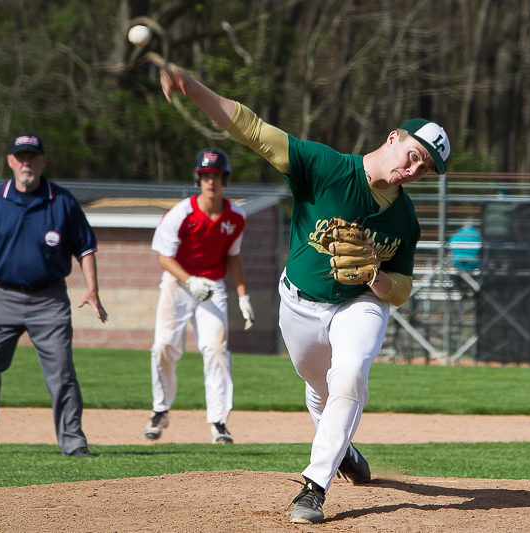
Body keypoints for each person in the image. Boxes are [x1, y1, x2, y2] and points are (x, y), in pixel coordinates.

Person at [158, 64, 449, 523]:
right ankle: (341, 446)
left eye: (424, 168)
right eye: (413, 155)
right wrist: (195, 89)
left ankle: (314, 487)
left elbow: (404, 287)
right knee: (320, 389)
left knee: (350, 375)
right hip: (299, 302)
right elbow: (252, 128)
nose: (413, 170)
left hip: (360, 304)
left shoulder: (405, 220)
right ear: (393, 137)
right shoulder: (325, 167)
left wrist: (378, 281)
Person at [0, 133, 108, 457]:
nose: (27, 163)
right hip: (4, 299)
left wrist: (92, 289)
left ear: (43, 161)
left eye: (33, 157)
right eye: (20, 157)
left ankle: (73, 442)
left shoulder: (62, 201)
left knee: (62, 372)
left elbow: (86, 248)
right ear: (10, 161)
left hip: (49, 300)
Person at [143, 148, 254, 445]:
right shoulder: (182, 213)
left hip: (213, 286)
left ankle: (218, 421)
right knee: (164, 345)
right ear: (198, 179)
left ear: (224, 180)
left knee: (216, 350)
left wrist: (243, 296)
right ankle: (160, 410)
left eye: (216, 176)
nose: (211, 182)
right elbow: (164, 258)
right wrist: (189, 281)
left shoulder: (236, 216)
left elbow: (234, 256)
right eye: (205, 176)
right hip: (179, 282)